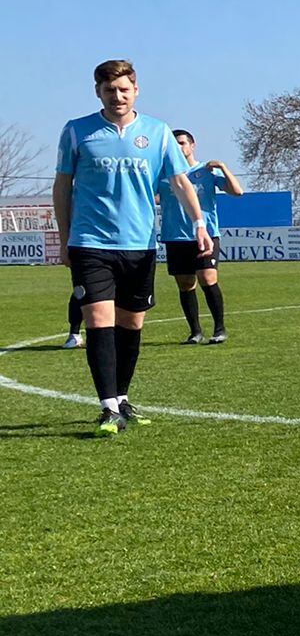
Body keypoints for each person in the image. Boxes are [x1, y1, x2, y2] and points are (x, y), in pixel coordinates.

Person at [52, 59, 212, 436]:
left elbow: (181, 182)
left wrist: (199, 223)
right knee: (98, 321)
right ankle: (108, 406)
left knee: (132, 323)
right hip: (91, 242)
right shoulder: (77, 132)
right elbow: (62, 187)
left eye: (124, 89)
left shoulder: (157, 133)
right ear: (98, 92)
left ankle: (121, 397)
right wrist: (64, 237)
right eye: (109, 90)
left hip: (140, 244)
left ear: (136, 90)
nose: (117, 96)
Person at [164, 129, 243, 344]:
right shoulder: (165, 175)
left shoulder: (206, 171)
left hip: (205, 235)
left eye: (182, 143)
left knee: (207, 278)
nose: (179, 147)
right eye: (175, 144)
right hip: (175, 236)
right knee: (186, 284)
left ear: (192, 145)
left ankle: (219, 328)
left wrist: (224, 168)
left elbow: (237, 192)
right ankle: (195, 331)